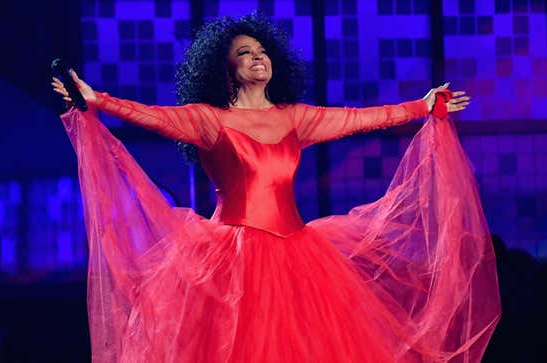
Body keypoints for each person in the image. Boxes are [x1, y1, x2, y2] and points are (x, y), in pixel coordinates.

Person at [52, 13, 500, 363]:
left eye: (263, 50)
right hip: (232, 265)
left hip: (301, 258)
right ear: (227, 70)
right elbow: (154, 115)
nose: (258, 57)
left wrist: (419, 106)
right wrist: (99, 101)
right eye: (246, 53)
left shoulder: (293, 116)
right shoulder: (209, 120)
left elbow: (362, 118)